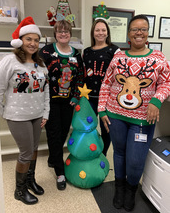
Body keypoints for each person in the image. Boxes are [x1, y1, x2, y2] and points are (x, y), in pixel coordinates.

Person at [98, 14, 170, 211]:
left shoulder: (158, 58)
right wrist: (102, 109)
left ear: (147, 33)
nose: (139, 32)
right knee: (119, 153)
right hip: (115, 116)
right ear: (128, 34)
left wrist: (156, 100)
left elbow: (166, 82)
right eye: (134, 29)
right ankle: (119, 189)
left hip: (142, 120)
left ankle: (131, 190)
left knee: (136, 159)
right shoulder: (119, 56)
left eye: (143, 29)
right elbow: (107, 83)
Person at [0, 16, 50, 205]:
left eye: (36, 40)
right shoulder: (9, 61)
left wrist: (46, 112)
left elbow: (46, 91)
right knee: (26, 153)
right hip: (18, 116)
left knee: (34, 149)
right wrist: (2, 113)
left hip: (36, 115)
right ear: (21, 41)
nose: (33, 43)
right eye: (29, 39)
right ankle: (19, 191)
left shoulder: (41, 64)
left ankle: (30, 180)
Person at [39, 20, 84, 190]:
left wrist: (76, 96)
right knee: (54, 134)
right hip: (50, 102)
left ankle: (53, 158)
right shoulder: (46, 51)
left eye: (66, 31)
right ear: (55, 33)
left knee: (64, 132)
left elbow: (80, 77)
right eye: (60, 31)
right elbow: (38, 73)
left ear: (70, 33)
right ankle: (60, 172)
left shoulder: (77, 54)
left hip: (68, 101)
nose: (63, 34)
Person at [83, 18, 120, 156]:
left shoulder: (114, 50)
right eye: (97, 30)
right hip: (89, 98)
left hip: (107, 98)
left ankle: (102, 155)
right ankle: (90, 152)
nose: (100, 33)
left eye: (103, 30)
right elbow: (84, 73)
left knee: (106, 129)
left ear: (107, 32)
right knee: (89, 127)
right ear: (93, 33)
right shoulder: (86, 52)